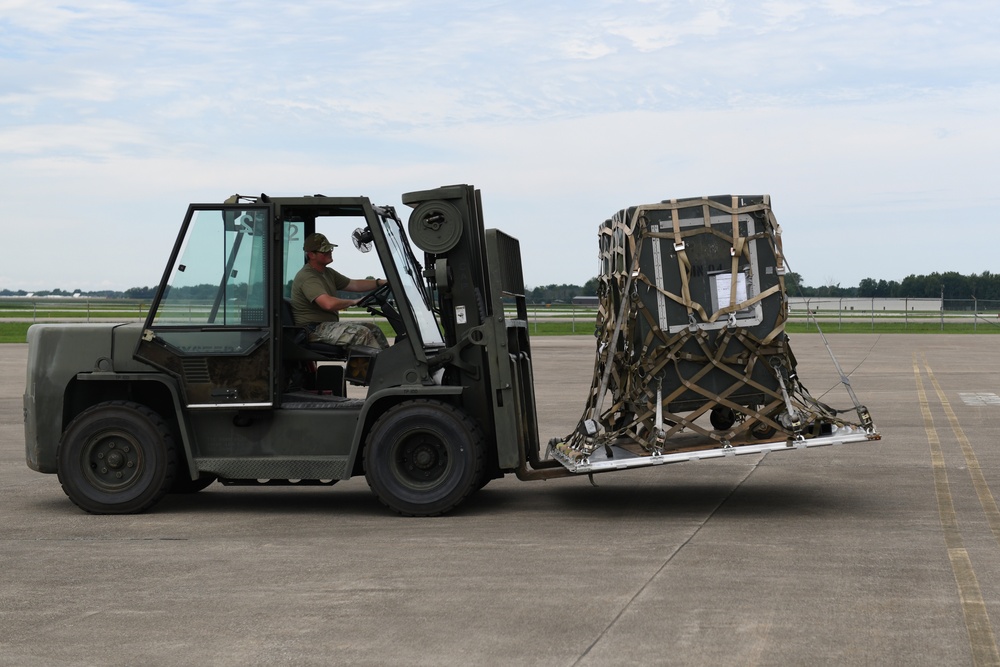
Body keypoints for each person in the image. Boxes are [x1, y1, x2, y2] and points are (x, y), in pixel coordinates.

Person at [290, 232, 389, 349]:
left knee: (374, 329)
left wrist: (381, 282)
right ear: (311, 255)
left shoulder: (328, 273)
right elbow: (328, 304)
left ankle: (389, 365)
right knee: (362, 333)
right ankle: (376, 366)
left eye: (330, 248)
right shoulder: (307, 276)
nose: (330, 252)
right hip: (313, 329)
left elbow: (355, 284)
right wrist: (354, 302)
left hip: (327, 326)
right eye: (324, 250)